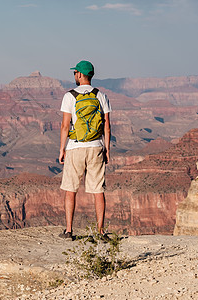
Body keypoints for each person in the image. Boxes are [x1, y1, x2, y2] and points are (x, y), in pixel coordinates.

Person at [58, 60, 111, 241]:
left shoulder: (69, 96)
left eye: (75, 73)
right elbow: (107, 127)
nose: (74, 75)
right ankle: (101, 231)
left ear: (80, 75)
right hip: (96, 146)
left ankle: (69, 231)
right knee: (98, 191)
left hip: (75, 147)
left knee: (71, 189)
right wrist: (107, 150)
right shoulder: (101, 96)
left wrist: (62, 149)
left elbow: (65, 126)